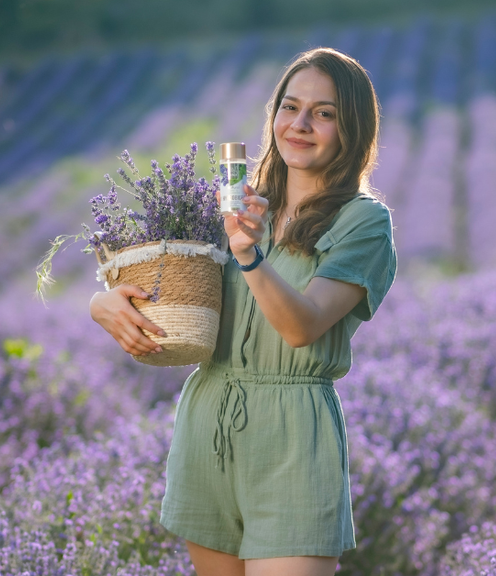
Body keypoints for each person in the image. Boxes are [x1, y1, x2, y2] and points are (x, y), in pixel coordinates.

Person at [90, 47, 397, 576]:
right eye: (290, 107)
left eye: (323, 113)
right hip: (207, 427)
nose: (300, 124)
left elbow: (301, 326)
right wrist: (103, 300)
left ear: (352, 130)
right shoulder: (238, 204)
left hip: (293, 441)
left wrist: (248, 254)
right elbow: (158, 279)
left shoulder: (363, 223)